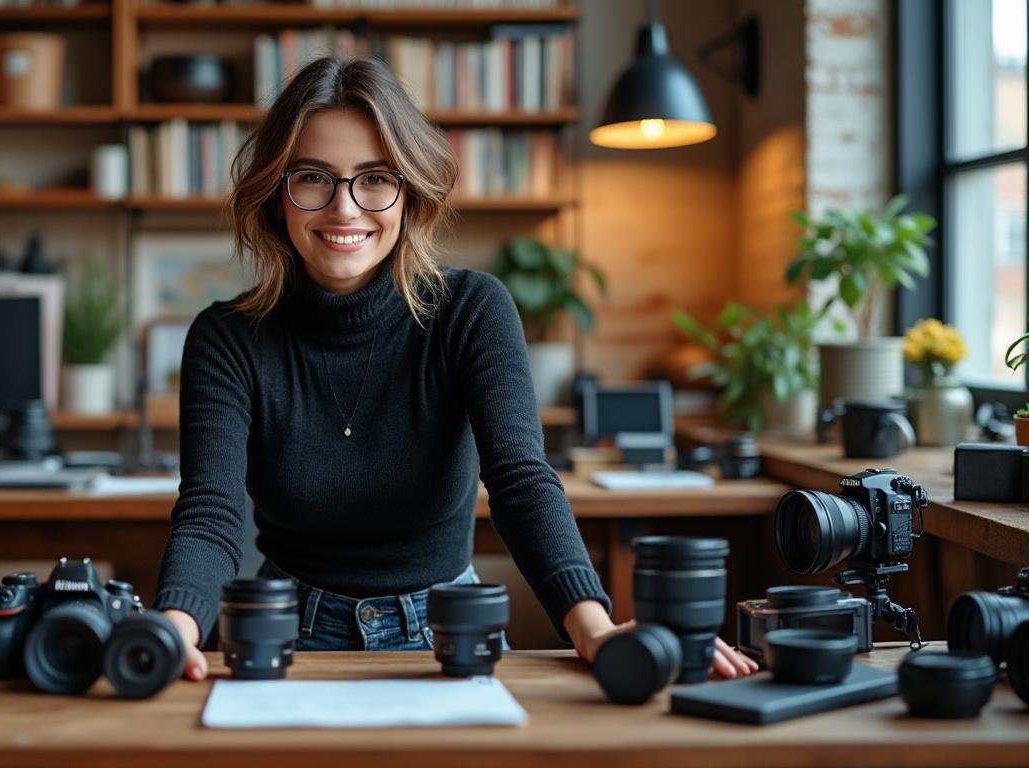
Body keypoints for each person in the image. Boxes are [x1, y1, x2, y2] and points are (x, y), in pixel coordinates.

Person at [153, 55, 757, 682]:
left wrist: (595, 628)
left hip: (446, 631)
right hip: (284, 633)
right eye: (312, 178)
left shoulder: (470, 310)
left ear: (409, 193)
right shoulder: (227, 338)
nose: (345, 208)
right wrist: (174, 630)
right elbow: (210, 515)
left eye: (375, 178)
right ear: (277, 196)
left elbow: (521, 482)